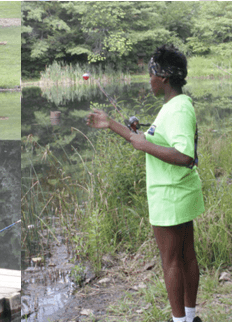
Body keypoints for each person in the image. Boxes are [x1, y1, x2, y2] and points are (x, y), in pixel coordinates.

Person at [87, 45, 203, 322]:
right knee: (186, 256)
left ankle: (180, 320)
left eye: (150, 74)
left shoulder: (177, 111)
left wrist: (143, 145)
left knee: (172, 260)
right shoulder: (176, 105)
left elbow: (186, 156)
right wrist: (111, 123)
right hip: (179, 192)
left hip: (170, 195)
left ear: (162, 77)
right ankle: (190, 317)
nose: (148, 80)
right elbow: (155, 142)